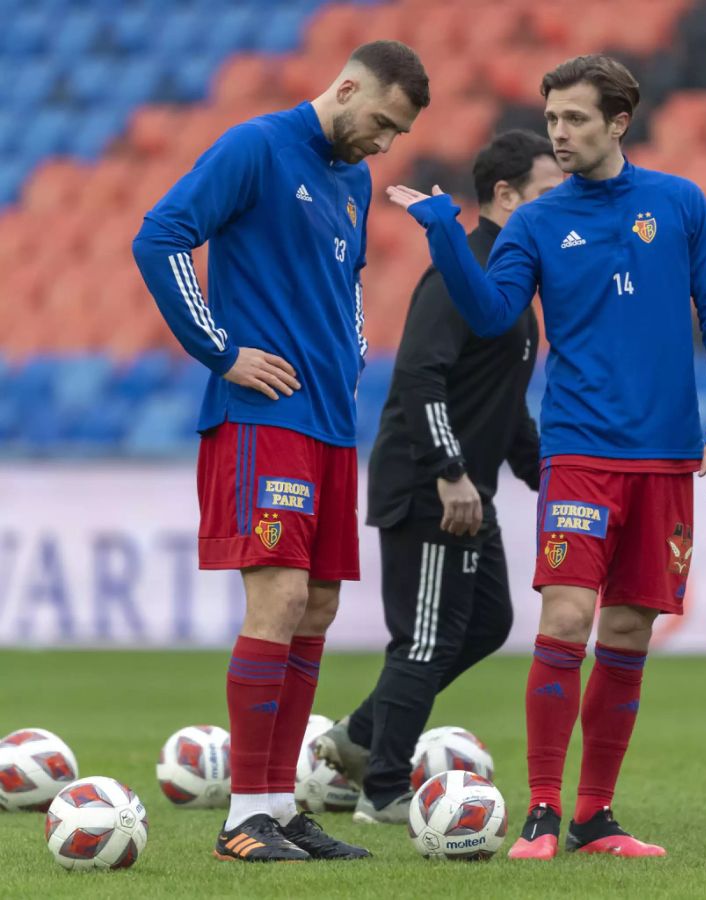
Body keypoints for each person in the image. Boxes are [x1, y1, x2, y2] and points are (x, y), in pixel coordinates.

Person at [387, 54, 706, 860]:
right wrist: (447, 235)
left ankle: (595, 816)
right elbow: (490, 313)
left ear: (618, 122)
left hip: (664, 458)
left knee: (627, 631)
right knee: (568, 615)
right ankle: (543, 811)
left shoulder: (680, 204)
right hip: (579, 449)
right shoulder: (537, 224)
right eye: (552, 118)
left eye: (575, 118)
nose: (559, 131)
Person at [132, 40, 430, 863]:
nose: (384, 144)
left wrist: (351, 365)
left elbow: (346, 293)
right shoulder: (255, 148)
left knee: (318, 608)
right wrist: (222, 351)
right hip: (263, 419)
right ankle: (241, 822)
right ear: (345, 88)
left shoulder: (354, 182)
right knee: (280, 597)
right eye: (380, 122)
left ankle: (276, 806)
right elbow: (160, 238)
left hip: (331, 424)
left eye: (397, 133)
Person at [314, 131, 563, 824]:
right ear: (505, 197)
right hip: (431, 483)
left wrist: (553, 476)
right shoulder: (463, 271)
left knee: (487, 622)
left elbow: (505, 409)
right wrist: (451, 471)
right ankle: (384, 788)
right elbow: (420, 374)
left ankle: (363, 735)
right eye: (548, 195)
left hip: (464, 490)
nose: (561, 207)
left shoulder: (512, 285)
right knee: (425, 640)